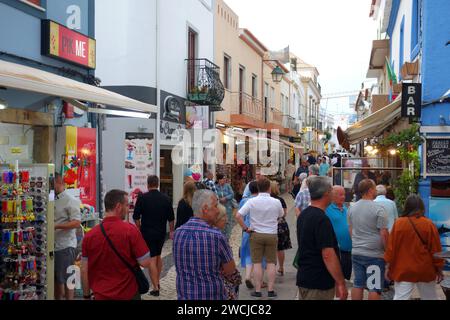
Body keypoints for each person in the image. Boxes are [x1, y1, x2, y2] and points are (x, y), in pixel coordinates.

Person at [81, 190, 152, 300]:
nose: (128, 209)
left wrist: (86, 295)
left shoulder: (89, 236)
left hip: (100, 295)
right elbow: (146, 262)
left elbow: (84, 270)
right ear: (118, 206)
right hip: (128, 294)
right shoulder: (130, 230)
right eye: (127, 205)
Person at [173, 190, 237, 300]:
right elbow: (231, 270)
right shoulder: (216, 236)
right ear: (205, 209)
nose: (218, 211)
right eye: (215, 206)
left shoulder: (178, 232)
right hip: (211, 295)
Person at [296, 177, 348, 300]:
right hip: (319, 282)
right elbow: (327, 254)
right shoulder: (321, 219)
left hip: (305, 276)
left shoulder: (304, 214)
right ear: (326, 193)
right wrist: (340, 282)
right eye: (331, 191)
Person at [385, 195, 444, 300]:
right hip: (425, 269)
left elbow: (391, 248)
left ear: (406, 207)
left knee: (400, 297)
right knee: (430, 298)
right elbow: (436, 249)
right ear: (421, 208)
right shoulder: (428, 224)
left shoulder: (398, 223)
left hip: (403, 270)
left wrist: (388, 266)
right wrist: (439, 268)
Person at [236, 178, 284, 298]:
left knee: (256, 262)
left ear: (257, 188)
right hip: (271, 234)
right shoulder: (276, 202)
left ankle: (257, 290)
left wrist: (246, 228)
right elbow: (281, 215)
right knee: (271, 262)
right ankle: (271, 290)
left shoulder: (252, 201)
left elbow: (238, 215)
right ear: (269, 188)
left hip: (256, 233)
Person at [133, 176, 175, 297]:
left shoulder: (142, 198)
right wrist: (171, 231)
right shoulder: (165, 198)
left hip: (147, 232)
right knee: (158, 256)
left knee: (152, 258)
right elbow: (171, 218)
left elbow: (136, 217)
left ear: (148, 184)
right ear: (157, 184)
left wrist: (139, 229)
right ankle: (157, 280)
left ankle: (156, 287)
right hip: (161, 232)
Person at [348, 179, 389, 300]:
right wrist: (387, 251)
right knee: (374, 287)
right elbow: (384, 233)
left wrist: (356, 243)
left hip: (357, 252)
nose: (376, 190)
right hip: (374, 254)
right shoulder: (379, 209)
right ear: (370, 190)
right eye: (375, 188)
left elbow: (351, 230)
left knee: (358, 284)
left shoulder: (352, 208)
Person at [54, 173, 81, 300]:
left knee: (69, 277)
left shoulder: (71, 200)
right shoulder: (51, 199)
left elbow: (76, 222)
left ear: (59, 182)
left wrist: (56, 226)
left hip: (66, 245)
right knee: (56, 278)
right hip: (52, 245)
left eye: (52, 184)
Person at [213, 206, 242, 300]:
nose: (226, 220)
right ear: (217, 219)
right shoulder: (219, 237)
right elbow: (230, 269)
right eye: (224, 217)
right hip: (220, 285)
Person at [325, 186, 352, 281]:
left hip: (348, 250)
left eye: (344, 194)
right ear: (332, 196)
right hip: (336, 251)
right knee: (337, 278)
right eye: (341, 195)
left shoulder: (345, 208)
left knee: (346, 276)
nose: (343, 197)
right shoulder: (327, 209)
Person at [238, 181, 259, 289]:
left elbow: (239, 215)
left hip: (247, 230)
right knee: (258, 257)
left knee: (247, 254)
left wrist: (244, 228)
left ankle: (247, 276)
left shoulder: (244, 201)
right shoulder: (260, 201)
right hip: (258, 230)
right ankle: (257, 280)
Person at [270, 181, 292, 277]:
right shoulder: (280, 200)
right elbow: (284, 213)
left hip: (270, 226)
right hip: (281, 225)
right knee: (280, 248)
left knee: (270, 249)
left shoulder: (267, 200)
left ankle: (271, 268)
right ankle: (281, 267)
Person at [215, 174, 235, 239]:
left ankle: (227, 238)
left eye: (224, 178)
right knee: (220, 221)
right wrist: (219, 199)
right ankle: (221, 237)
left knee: (228, 222)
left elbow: (232, 194)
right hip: (219, 207)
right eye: (222, 178)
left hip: (227, 207)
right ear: (218, 180)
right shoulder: (215, 187)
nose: (224, 180)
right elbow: (214, 195)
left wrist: (226, 198)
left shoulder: (228, 186)